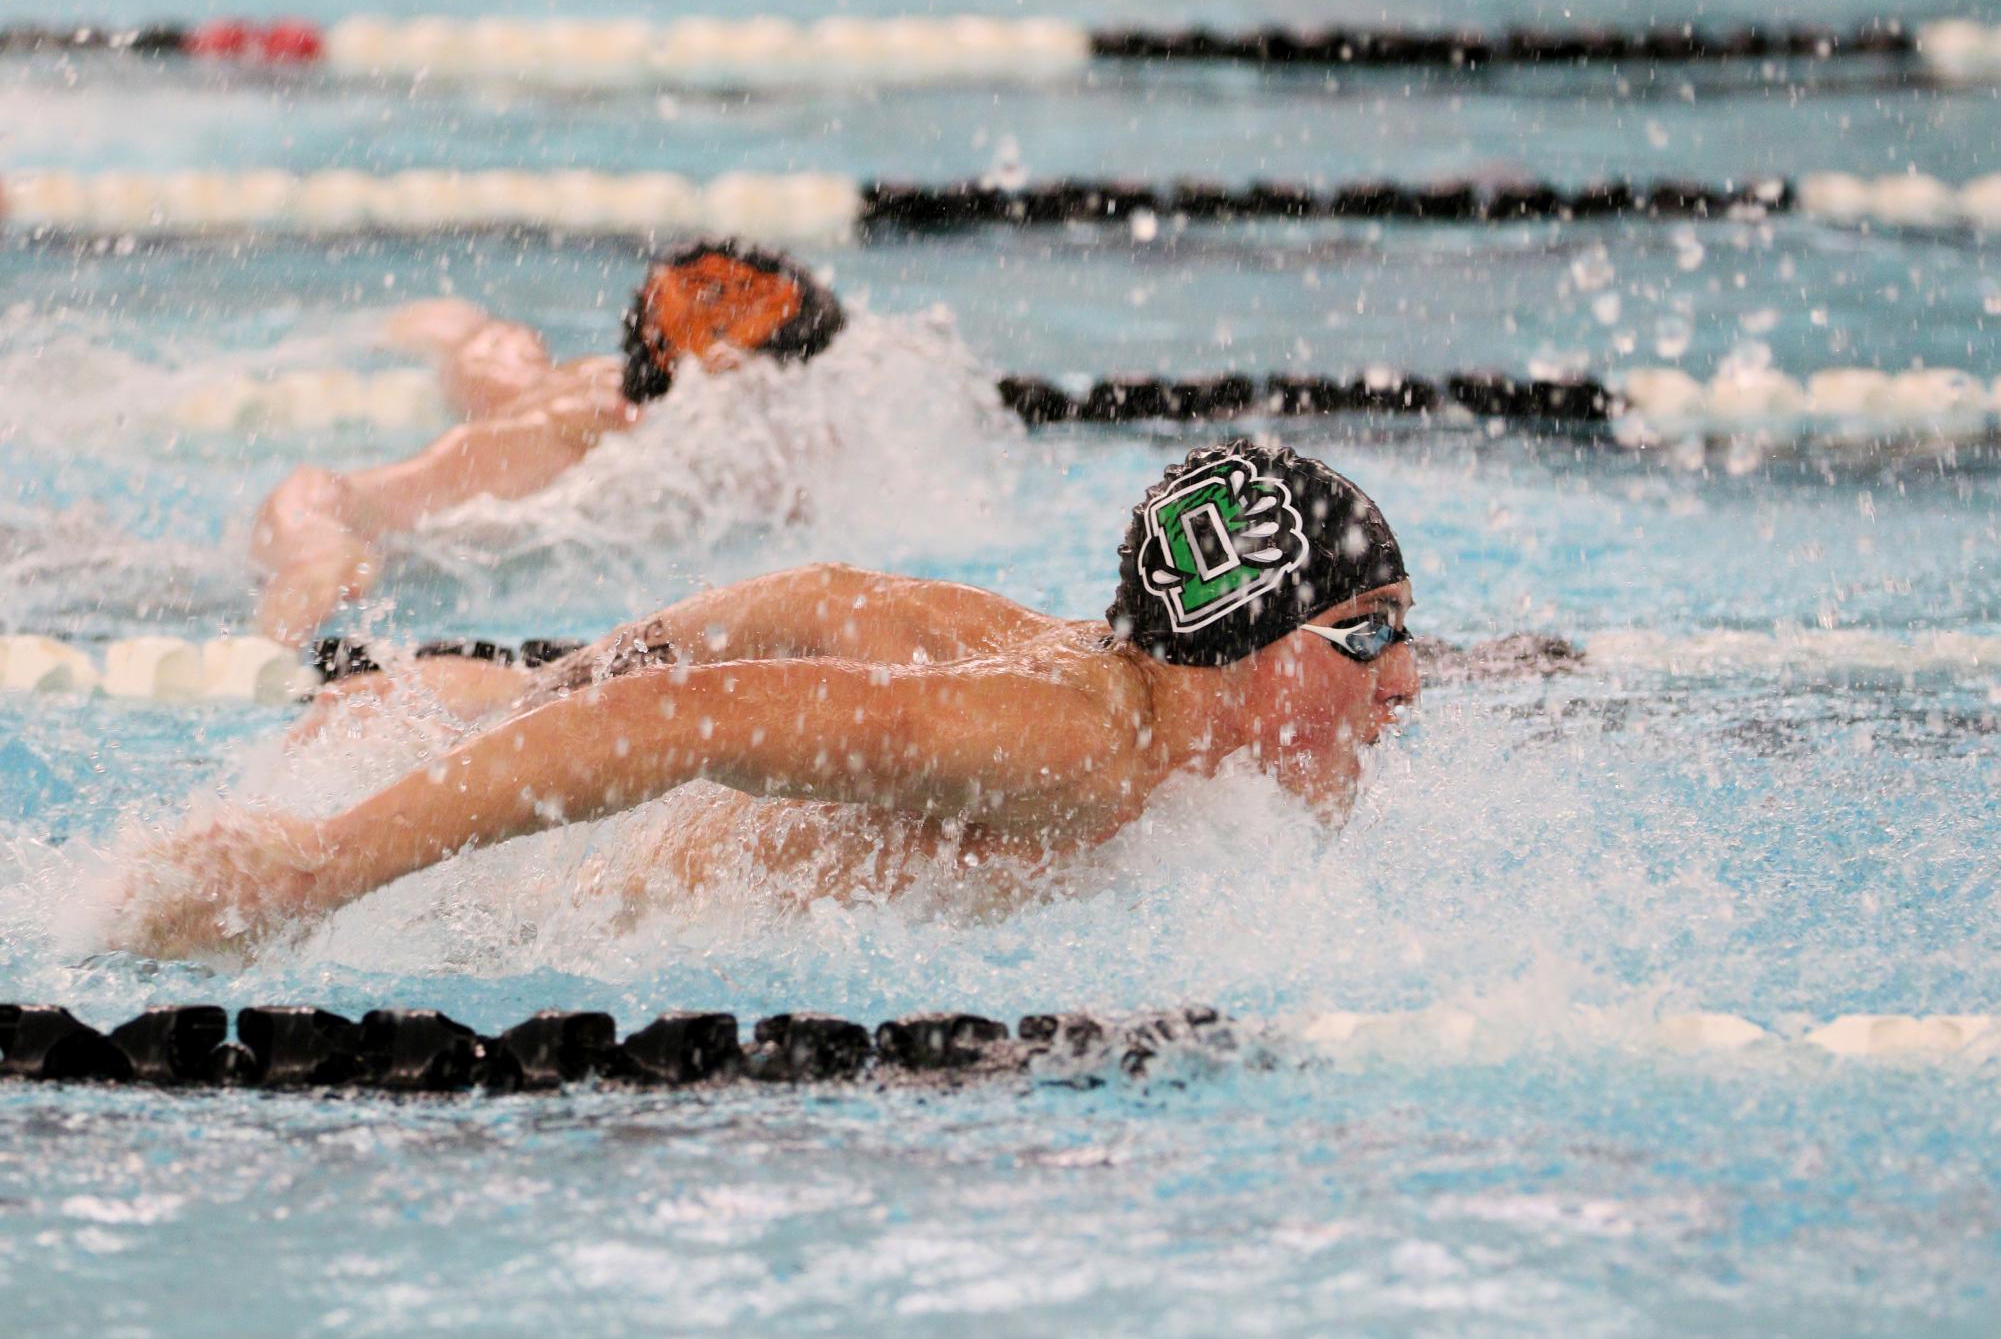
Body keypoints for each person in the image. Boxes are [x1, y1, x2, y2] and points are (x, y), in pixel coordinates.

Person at [111, 439, 1420, 959]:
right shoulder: (1077, 745)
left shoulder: (1075, 656)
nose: (1406, 686)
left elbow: (813, 591)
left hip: (548, 826)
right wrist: (322, 867)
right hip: (556, 922)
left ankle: (445, 706)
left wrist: (538, 692)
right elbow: (698, 717)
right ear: (1244, 642)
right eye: (1366, 640)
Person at [249, 240, 848, 645]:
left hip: (342, 492)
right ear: (722, 362)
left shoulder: (657, 412)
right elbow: (334, 497)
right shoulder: (595, 422)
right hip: (321, 512)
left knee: (498, 357)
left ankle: (451, 329)